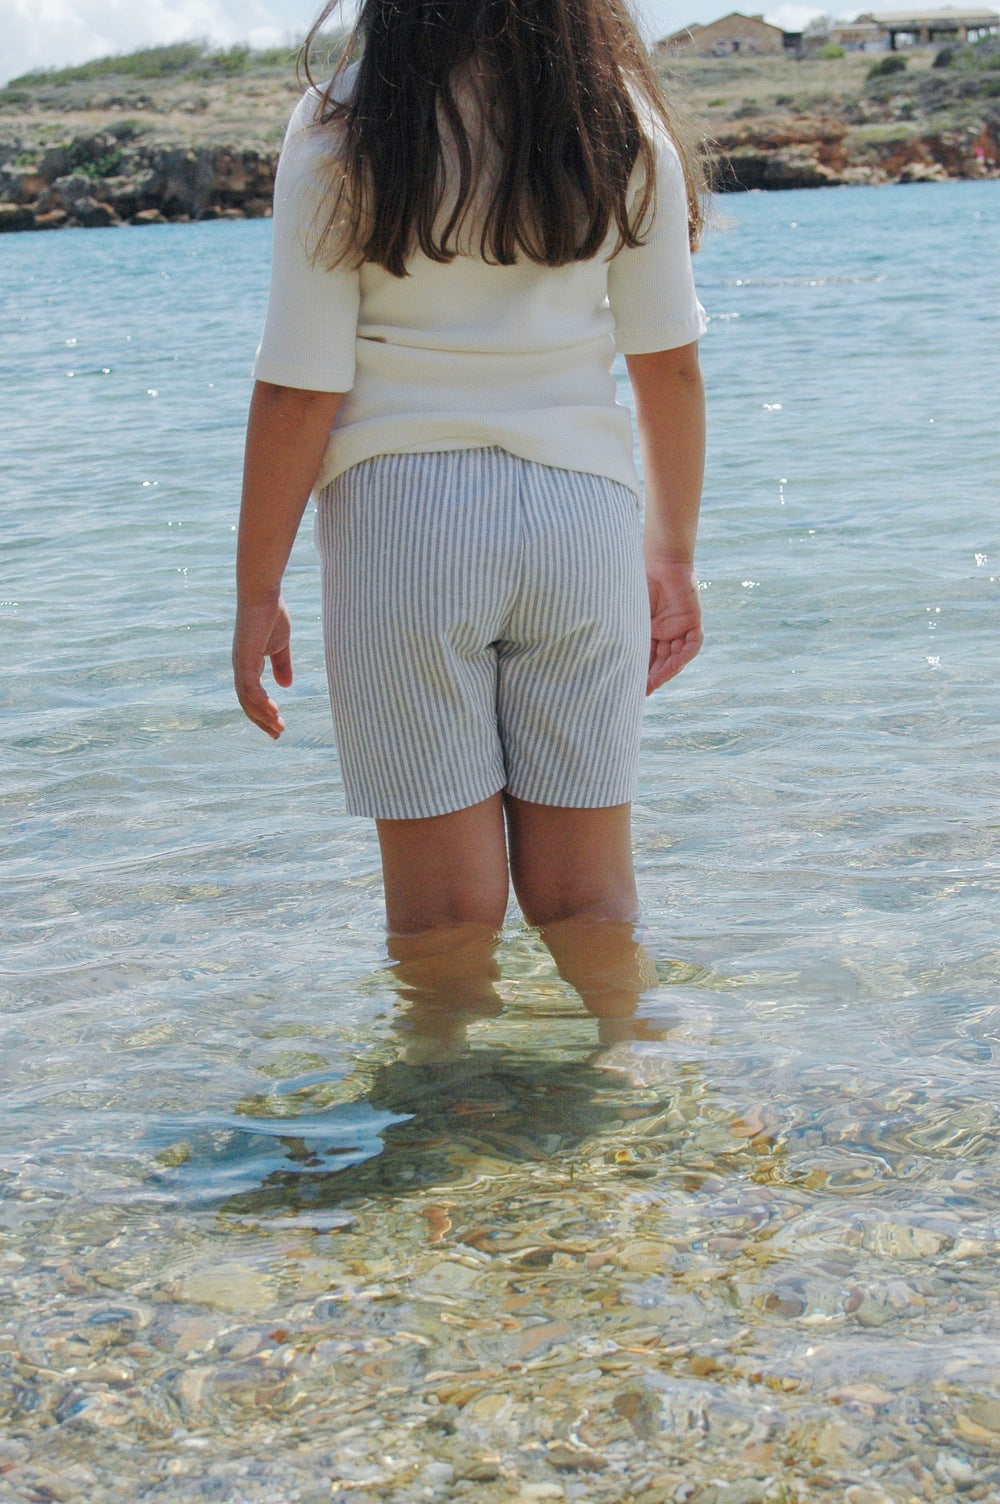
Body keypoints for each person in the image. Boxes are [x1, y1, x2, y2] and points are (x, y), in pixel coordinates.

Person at [233, 0, 707, 1035]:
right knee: (589, 896)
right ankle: (632, 1064)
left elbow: (298, 391)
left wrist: (256, 590)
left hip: (403, 524)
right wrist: (669, 552)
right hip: (582, 518)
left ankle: (453, 1119)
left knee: (443, 913)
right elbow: (666, 362)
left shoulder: (343, 123)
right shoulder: (617, 119)